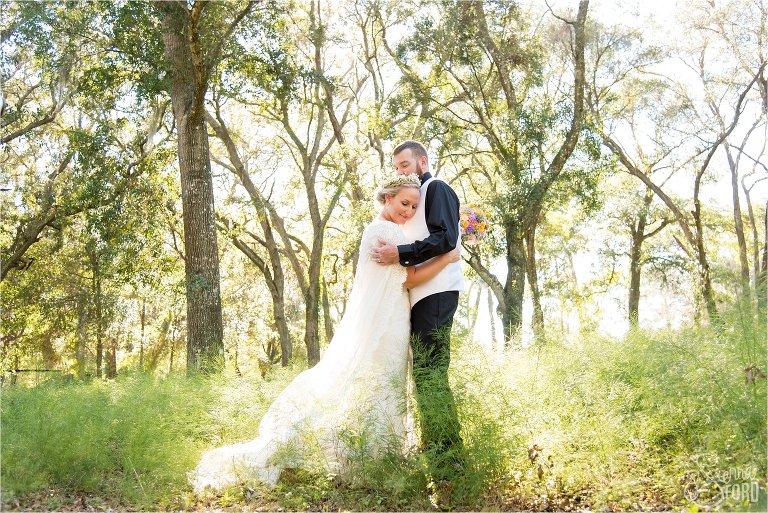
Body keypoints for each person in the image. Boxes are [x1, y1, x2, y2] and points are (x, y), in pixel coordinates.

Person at [190, 174, 459, 492]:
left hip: (391, 321)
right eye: (404, 203)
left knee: (379, 390)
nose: (409, 210)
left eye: (415, 206)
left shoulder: (384, 230)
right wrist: (447, 257)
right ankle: (375, 462)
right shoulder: (385, 231)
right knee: (382, 388)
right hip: (387, 326)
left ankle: (373, 461)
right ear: (386, 198)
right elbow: (410, 279)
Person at [369, 140, 465, 483]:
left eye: (405, 164)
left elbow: (446, 239)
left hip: (437, 292)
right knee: (424, 373)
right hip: (418, 295)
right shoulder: (413, 205)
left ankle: (450, 457)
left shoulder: (436, 187)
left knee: (431, 372)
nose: (400, 170)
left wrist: (402, 253)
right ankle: (438, 449)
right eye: (396, 167)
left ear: (422, 162)